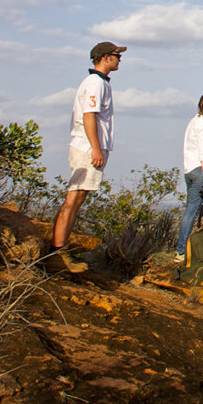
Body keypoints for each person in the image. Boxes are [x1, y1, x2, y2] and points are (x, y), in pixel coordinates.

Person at [46, 41, 124, 273]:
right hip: (87, 147)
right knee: (74, 196)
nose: (120, 59)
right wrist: (96, 148)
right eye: (116, 55)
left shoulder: (100, 83)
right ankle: (57, 251)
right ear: (105, 57)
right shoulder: (94, 83)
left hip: (90, 146)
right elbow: (89, 115)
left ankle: (60, 249)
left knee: (78, 197)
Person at [175, 92, 203, 263]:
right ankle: (180, 252)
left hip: (189, 169)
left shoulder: (193, 121)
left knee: (191, 210)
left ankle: (184, 250)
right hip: (199, 170)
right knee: (191, 212)